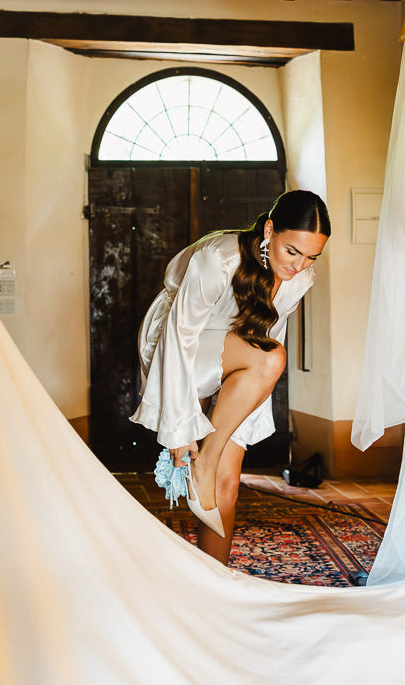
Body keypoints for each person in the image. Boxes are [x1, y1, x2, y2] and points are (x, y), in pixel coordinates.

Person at [131, 189, 330, 563]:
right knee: (272, 359)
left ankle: (217, 586)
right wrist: (179, 428)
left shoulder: (300, 280)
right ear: (270, 230)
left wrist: (244, 412)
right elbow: (181, 334)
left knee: (225, 485)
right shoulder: (219, 258)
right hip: (175, 346)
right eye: (292, 251)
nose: (299, 265)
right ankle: (202, 462)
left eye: (311, 257)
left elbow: (269, 342)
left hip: (241, 359)